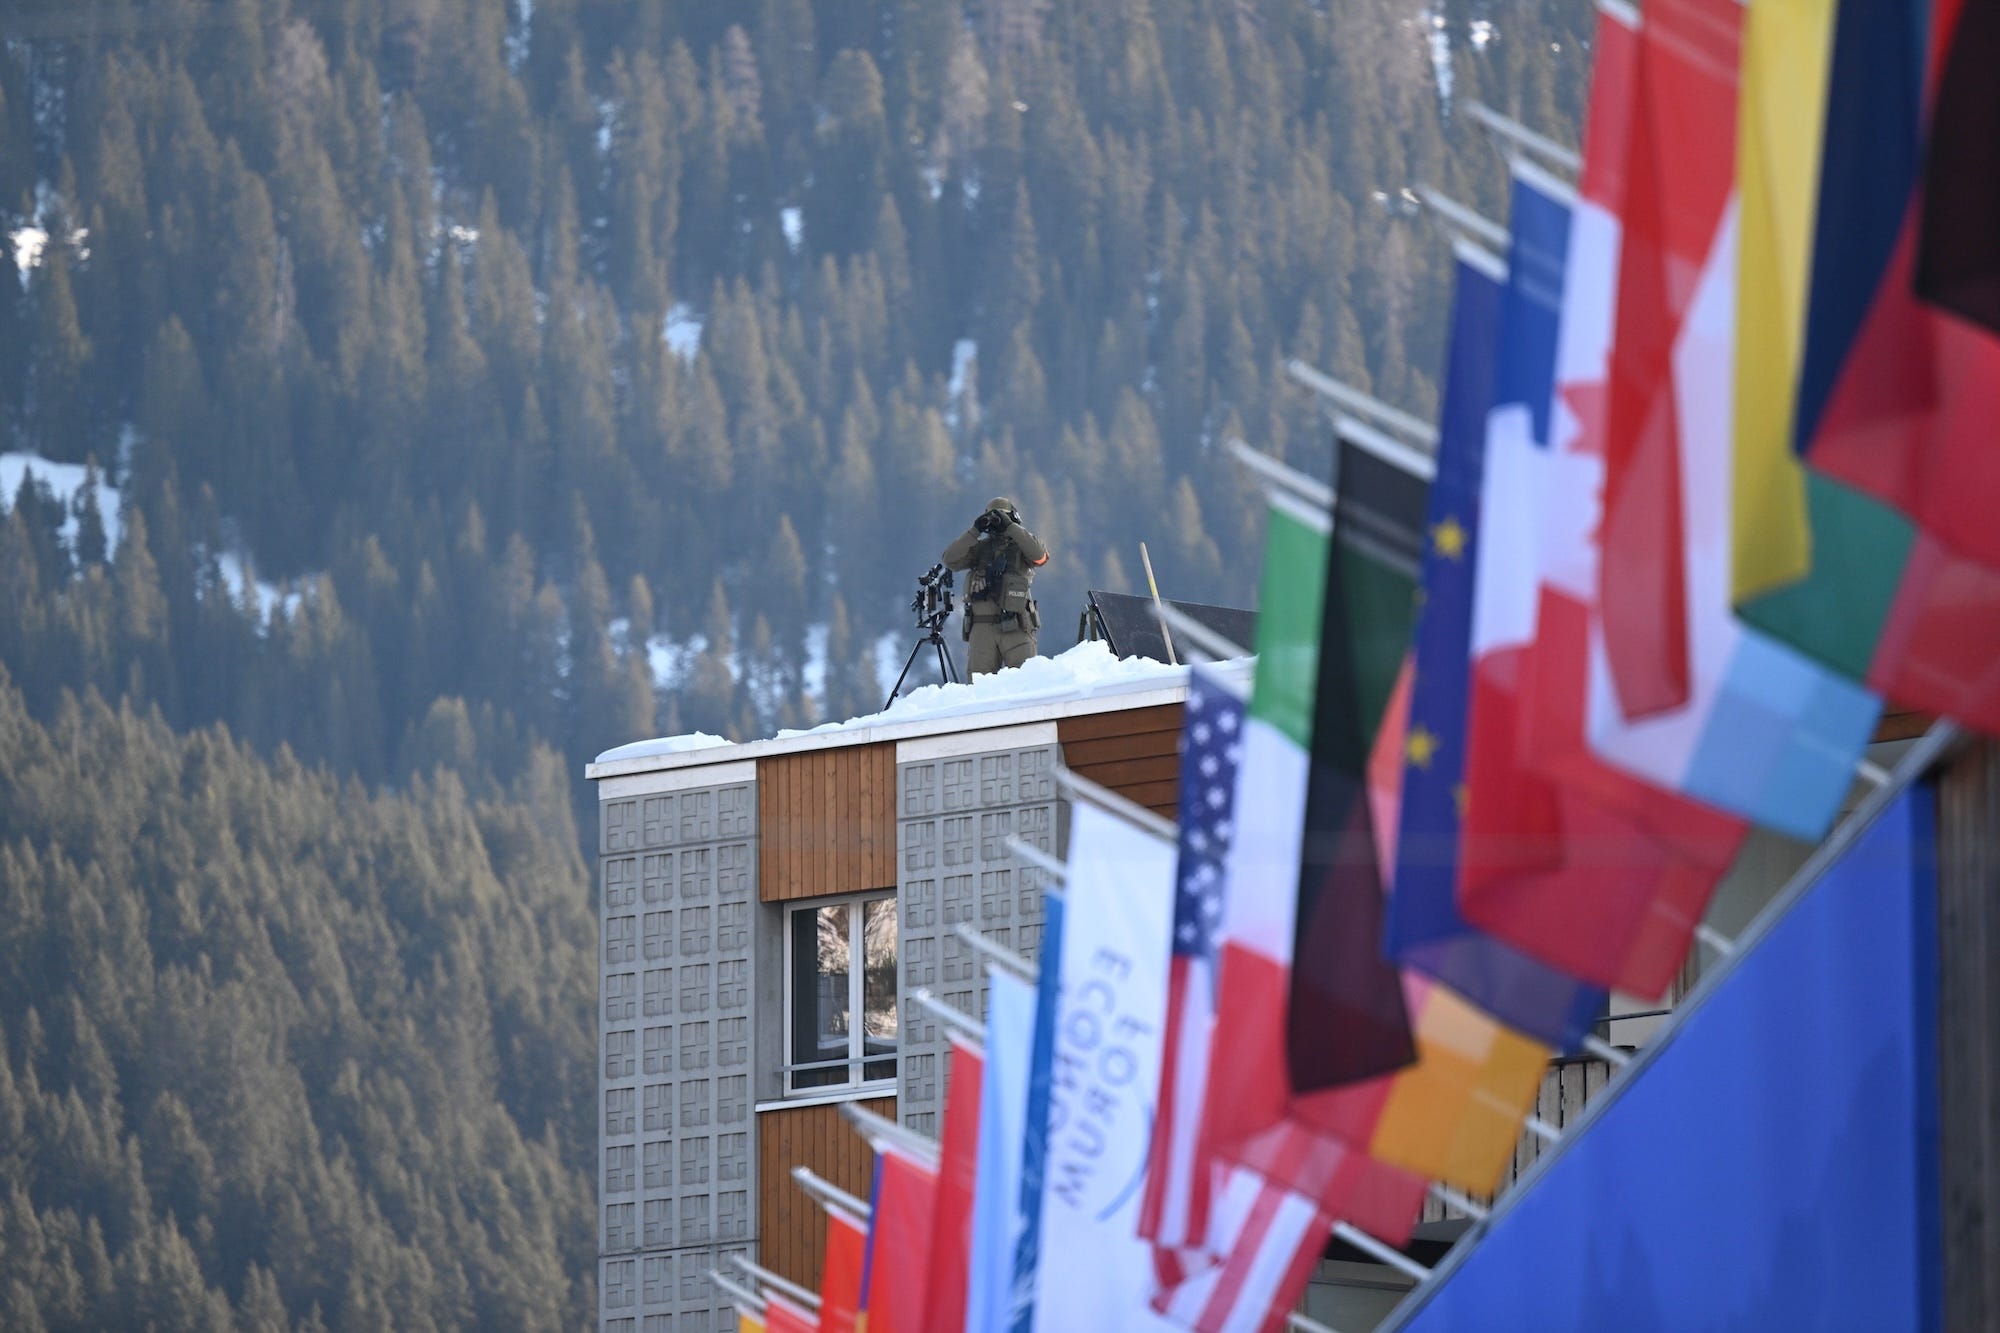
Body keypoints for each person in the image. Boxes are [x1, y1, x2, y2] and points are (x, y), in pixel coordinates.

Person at [942, 497, 1049, 676]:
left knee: (1026, 684)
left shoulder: (1022, 546)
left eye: (1002, 518)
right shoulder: (979, 549)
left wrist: (1011, 528)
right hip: (981, 627)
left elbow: (1040, 556)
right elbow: (949, 560)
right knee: (979, 689)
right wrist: (975, 530)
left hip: (1016, 625)